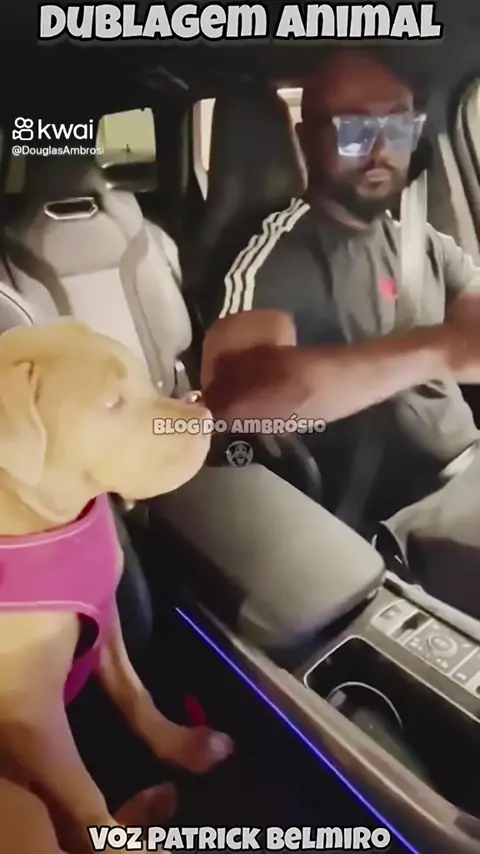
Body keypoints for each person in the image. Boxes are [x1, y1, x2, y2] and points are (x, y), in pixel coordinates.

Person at [201, 50, 480, 618]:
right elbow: (238, 404)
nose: (379, 151)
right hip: (394, 527)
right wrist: (433, 350)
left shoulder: (423, 241)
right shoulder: (275, 254)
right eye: (354, 130)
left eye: (397, 127)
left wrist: (452, 348)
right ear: (308, 139)